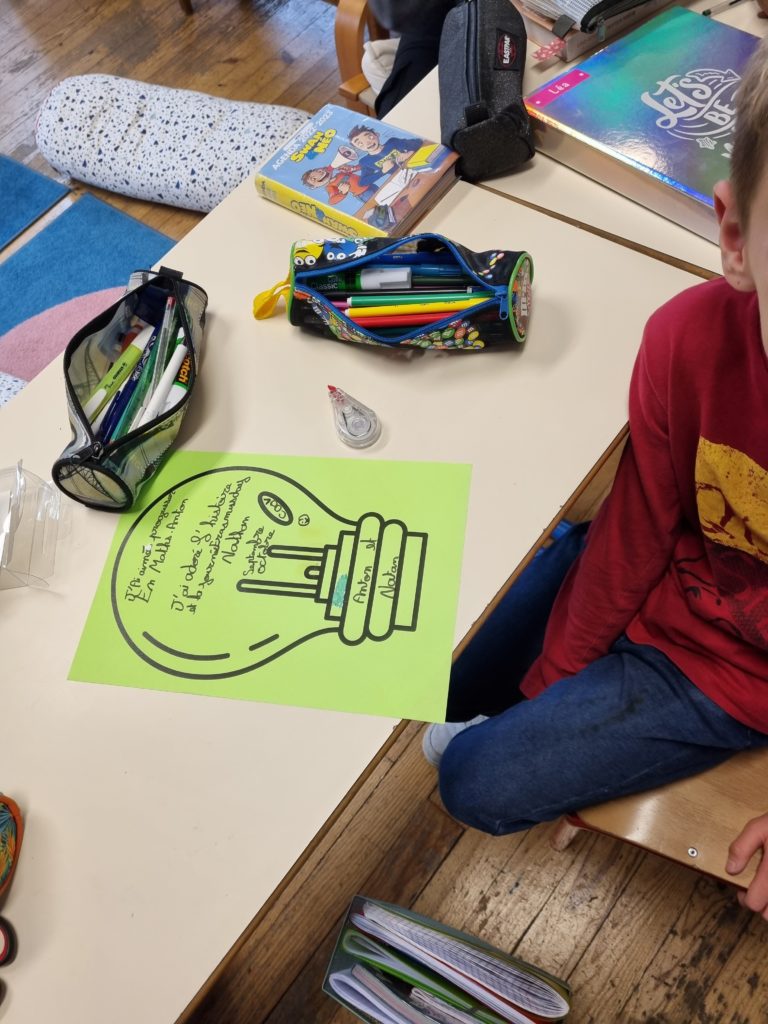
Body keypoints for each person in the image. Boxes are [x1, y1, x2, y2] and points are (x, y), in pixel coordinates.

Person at [423, 36, 768, 920]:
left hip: (727, 683)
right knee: (436, 681)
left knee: (473, 780)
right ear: (736, 241)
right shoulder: (686, 340)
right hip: (676, 585)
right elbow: (639, 526)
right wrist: (556, 682)